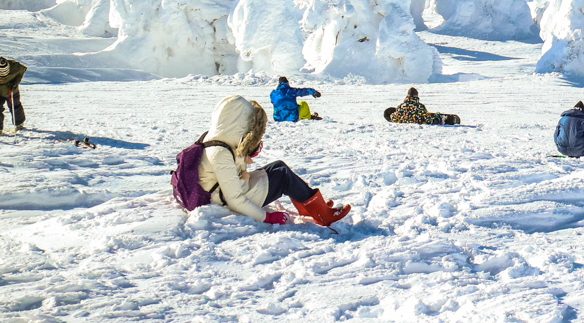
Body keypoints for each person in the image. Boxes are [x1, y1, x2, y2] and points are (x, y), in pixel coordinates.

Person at [196, 95, 350, 227]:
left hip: (229, 189)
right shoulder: (220, 153)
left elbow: (232, 166)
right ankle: (323, 215)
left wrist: (247, 151)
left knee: (279, 165)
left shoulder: (214, 138)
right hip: (230, 200)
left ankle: (309, 207)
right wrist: (267, 217)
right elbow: (234, 199)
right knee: (283, 176)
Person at [384, 86, 460, 125]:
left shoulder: (401, 106)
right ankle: (442, 119)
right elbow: (427, 120)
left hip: (404, 120)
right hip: (419, 121)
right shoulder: (420, 106)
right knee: (433, 118)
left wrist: (392, 115)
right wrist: (435, 117)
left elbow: (394, 117)